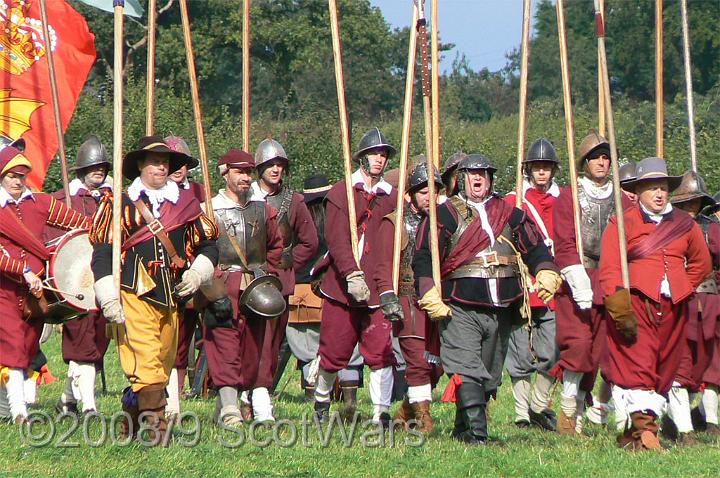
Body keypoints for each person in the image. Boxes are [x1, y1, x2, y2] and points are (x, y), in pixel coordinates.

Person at [413, 153, 561, 445]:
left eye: (483, 173)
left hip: (502, 307)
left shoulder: (510, 213)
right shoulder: (444, 214)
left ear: (491, 178)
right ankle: (479, 435)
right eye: (471, 173)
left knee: (489, 372)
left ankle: (463, 427)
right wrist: (428, 289)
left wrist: (545, 270)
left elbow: (535, 248)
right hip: (459, 304)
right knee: (466, 365)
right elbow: (424, 256)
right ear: (461, 179)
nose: (478, 178)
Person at [89, 135, 219, 445]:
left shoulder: (186, 204)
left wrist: (198, 272)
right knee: (145, 360)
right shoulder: (119, 204)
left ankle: (131, 419)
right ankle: (157, 429)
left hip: (172, 295)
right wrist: (108, 295)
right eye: (155, 161)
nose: (162, 167)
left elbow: (210, 245)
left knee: (161, 360)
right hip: (134, 291)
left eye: (166, 162)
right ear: (139, 166)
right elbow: (103, 253)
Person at [599, 157, 711, 451]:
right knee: (641, 366)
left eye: (662, 188)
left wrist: (682, 285)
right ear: (639, 192)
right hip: (635, 304)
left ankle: (637, 434)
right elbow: (610, 266)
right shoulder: (622, 222)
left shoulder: (685, 224)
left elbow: (701, 262)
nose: (659, 194)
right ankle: (646, 433)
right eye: (652, 188)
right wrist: (619, 302)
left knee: (665, 366)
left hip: (674, 306)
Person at [312, 128, 398, 426]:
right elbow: (335, 239)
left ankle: (380, 413)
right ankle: (322, 400)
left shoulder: (391, 197)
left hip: (377, 286)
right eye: (375, 153)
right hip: (341, 286)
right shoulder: (341, 192)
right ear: (362, 157)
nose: (379, 159)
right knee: (334, 351)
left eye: (384, 154)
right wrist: (351, 274)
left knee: (379, 351)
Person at [0, 146, 89, 423]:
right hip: (5, 289)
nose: (17, 181)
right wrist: (23, 271)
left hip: (36, 293)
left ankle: (5, 408)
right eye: (11, 176)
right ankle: (18, 412)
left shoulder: (40, 203)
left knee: (27, 347)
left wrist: (99, 230)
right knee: (12, 345)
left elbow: (77, 223)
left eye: (22, 175)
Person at [551, 130, 631, 434]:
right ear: (583, 162)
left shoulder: (622, 199)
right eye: (595, 157)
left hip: (608, 277)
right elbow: (565, 241)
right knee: (579, 345)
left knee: (598, 350)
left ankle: (581, 408)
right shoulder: (570, 196)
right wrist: (575, 275)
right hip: (577, 280)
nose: (601, 162)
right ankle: (568, 408)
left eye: (605, 157)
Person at [200, 148, 284, 427]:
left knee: (255, 346)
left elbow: (274, 246)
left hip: (257, 285)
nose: (246, 177)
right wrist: (212, 286)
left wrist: (268, 276)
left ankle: (251, 404)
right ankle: (229, 408)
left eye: (249, 171)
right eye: (239, 171)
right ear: (224, 173)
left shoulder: (263, 209)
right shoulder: (209, 210)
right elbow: (201, 252)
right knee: (223, 344)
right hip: (222, 284)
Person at [244, 139, 318, 422]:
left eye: (280, 165)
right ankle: (240, 396)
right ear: (259, 167)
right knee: (246, 341)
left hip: (277, 283)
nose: (276, 170)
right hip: (245, 279)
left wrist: (286, 265)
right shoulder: (244, 197)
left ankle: (262, 398)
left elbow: (308, 242)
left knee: (270, 343)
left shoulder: (293, 201)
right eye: (270, 165)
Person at [45, 136, 112, 415]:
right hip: (74, 283)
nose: (99, 170)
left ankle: (67, 400)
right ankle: (89, 406)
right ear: (82, 168)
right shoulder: (63, 200)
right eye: (94, 166)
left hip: (106, 280)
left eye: (103, 167)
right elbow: (52, 243)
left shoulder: (112, 200)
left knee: (97, 340)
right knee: (81, 341)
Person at [285, 174, 365, 410]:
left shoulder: (299, 218)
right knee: (347, 348)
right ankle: (349, 400)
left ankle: (314, 398)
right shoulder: (344, 216)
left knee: (308, 349)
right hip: (336, 288)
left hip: (304, 290)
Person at [375, 159, 444, 432]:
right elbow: (382, 263)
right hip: (407, 297)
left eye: (434, 190)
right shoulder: (395, 222)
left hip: (437, 299)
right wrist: (387, 295)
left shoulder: (443, 221)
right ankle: (424, 417)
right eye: (423, 191)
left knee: (436, 364)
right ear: (411, 193)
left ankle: (406, 411)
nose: (429, 197)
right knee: (417, 358)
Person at [503, 138, 561, 431]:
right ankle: (521, 411)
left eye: (546, 168)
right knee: (519, 351)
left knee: (551, 348)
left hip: (551, 281)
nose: (542, 173)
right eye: (537, 167)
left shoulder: (564, 201)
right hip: (522, 282)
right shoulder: (514, 200)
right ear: (528, 170)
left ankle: (539, 403)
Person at [662, 170, 719, 444]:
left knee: (710, 365)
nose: (691, 209)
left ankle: (708, 420)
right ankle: (681, 427)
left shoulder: (713, 228)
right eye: (686, 204)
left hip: (709, 303)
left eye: (695, 204)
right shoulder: (666, 229)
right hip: (677, 303)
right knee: (679, 364)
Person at [163, 135, 203, 418]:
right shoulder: (147, 194)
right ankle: (162, 390)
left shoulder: (199, 192)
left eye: (183, 164)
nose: (178, 169)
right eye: (172, 163)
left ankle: (187, 388)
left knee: (189, 331)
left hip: (194, 271)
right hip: (158, 271)